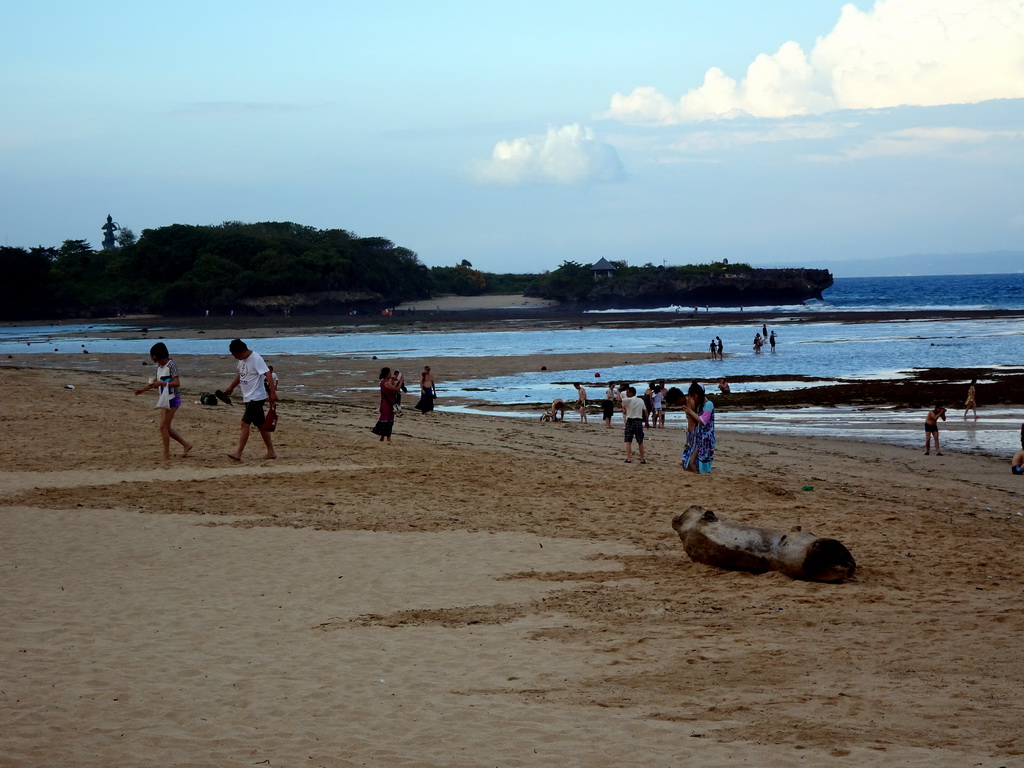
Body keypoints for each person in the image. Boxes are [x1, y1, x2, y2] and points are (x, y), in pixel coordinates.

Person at [133, 342, 192, 460]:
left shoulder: (171, 365)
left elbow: (177, 383)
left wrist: (162, 383)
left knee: (163, 427)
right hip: (164, 399)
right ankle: (186, 445)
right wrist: (143, 389)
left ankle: (166, 454)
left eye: (156, 358)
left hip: (173, 398)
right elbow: (155, 383)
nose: (156, 361)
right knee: (166, 428)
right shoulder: (159, 368)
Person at [223, 338, 277, 461]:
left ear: (241, 351)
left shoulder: (256, 358)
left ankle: (238, 453)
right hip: (247, 397)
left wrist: (273, 393)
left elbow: (267, 374)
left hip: (256, 397)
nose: (234, 357)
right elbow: (240, 374)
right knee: (261, 425)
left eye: (235, 354)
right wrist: (231, 387)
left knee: (244, 423)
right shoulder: (242, 360)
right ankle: (271, 452)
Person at [681, 381, 715, 473]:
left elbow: (703, 421)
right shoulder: (700, 405)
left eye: (694, 395)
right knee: (692, 461)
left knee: (701, 462)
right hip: (699, 436)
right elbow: (696, 420)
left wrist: (690, 412)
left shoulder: (709, 404)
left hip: (706, 438)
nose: (693, 398)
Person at [372, 367, 403, 443]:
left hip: (388, 403)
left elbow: (392, 386)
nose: (390, 374)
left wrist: (394, 380)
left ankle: (383, 437)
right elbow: (395, 389)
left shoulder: (385, 382)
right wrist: (401, 382)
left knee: (387, 420)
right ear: (386, 374)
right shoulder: (385, 383)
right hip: (386, 404)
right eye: (389, 373)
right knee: (387, 420)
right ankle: (386, 437)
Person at [620, 386, 647, 464]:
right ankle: (642, 459)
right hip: (638, 421)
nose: (627, 394)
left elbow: (619, 400)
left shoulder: (628, 400)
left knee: (628, 441)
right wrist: (647, 421)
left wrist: (619, 391)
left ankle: (629, 458)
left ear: (631, 393)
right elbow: (645, 411)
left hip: (631, 420)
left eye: (628, 392)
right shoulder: (641, 400)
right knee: (640, 441)